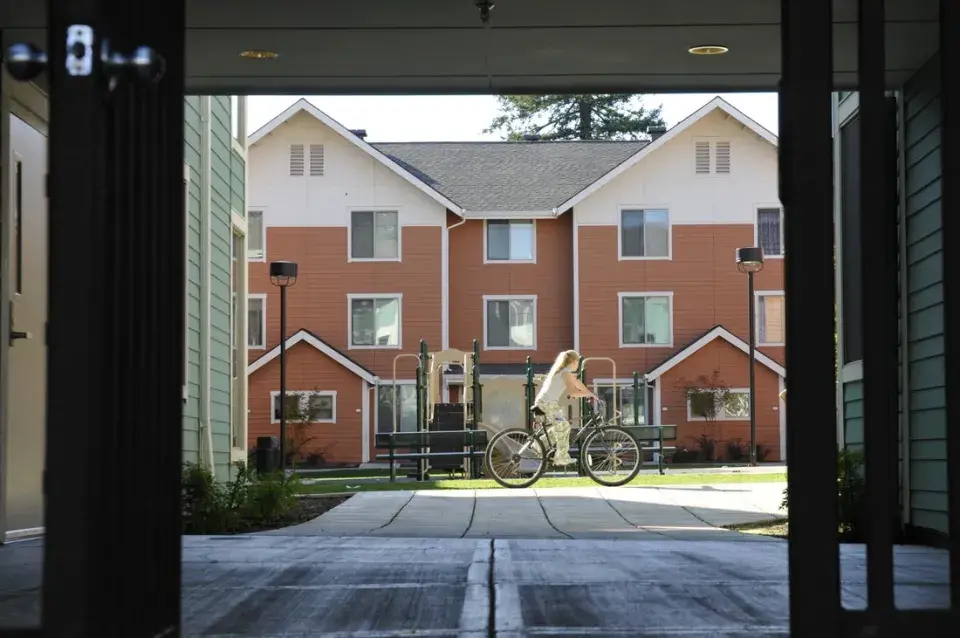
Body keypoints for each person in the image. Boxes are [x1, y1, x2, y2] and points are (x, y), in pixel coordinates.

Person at [533, 349, 597, 466]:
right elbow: (573, 392)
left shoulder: (564, 371)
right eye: (578, 363)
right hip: (547, 403)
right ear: (573, 361)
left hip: (547, 402)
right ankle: (561, 457)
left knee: (564, 426)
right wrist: (588, 394)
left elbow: (578, 383)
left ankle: (539, 444)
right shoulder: (565, 372)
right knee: (563, 426)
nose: (578, 365)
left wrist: (590, 393)